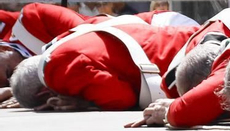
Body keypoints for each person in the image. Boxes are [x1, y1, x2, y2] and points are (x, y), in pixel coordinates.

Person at [23, 18, 193, 112]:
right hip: (185, 40)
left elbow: (121, 98)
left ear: (47, 97)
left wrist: (85, 103)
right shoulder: (63, 41)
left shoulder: (57, 70)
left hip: (185, 60)